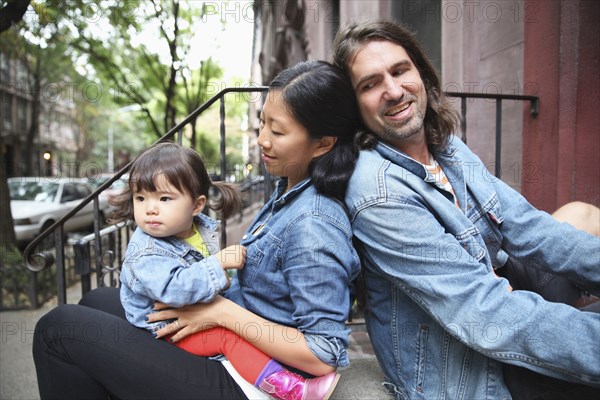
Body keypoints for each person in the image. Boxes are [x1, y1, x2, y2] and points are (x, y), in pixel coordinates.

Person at [32, 59, 362, 400]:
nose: (262, 139)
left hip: (252, 378)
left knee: (57, 328)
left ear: (323, 143)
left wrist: (219, 312)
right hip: (233, 334)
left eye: (277, 131)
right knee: (95, 300)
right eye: (262, 123)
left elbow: (322, 353)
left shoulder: (314, 223)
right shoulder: (289, 189)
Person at [331, 19, 600, 399]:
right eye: (370, 84)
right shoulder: (378, 194)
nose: (393, 91)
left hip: (493, 293)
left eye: (400, 70)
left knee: (582, 217)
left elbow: (529, 228)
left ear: (421, 74)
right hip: (467, 369)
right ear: (353, 106)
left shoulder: (446, 147)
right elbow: (485, 313)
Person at [110, 141, 342, 400]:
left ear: (197, 206)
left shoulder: (193, 229)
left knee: (235, 329)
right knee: (227, 336)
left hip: (185, 315)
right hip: (168, 328)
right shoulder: (147, 250)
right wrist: (217, 264)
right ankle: (293, 390)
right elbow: (173, 290)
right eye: (140, 198)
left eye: (164, 198)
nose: (150, 208)